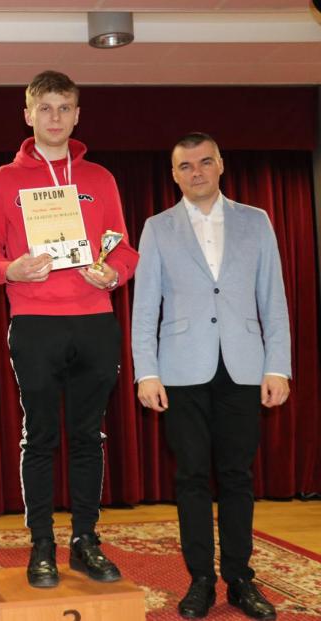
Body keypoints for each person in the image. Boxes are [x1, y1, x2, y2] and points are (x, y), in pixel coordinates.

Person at [0, 71, 138, 589]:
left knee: (88, 436)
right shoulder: (2, 181)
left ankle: (86, 541)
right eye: (45, 108)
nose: (55, 117)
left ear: (77, 115)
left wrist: (114, 274)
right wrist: (11, 270)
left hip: (94, 321)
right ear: (28, 115)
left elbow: (123, 249)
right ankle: (41, 545)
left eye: (65, 107)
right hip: (35, 323)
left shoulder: (100, 179)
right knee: (40, 437)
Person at [131, 132, 290, 620]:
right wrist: (146, 372)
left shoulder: (256, 221)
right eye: (186, 165)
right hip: (181, 369)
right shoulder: (157, 228)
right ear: (174, 174)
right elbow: (145, 307)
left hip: (243, 366)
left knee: (238, 476)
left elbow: (273, 298)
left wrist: (277, 365)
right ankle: (200, 578)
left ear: (221, 165)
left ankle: (240, 579)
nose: (196, 172)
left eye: (204, 162)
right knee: (192, 476)